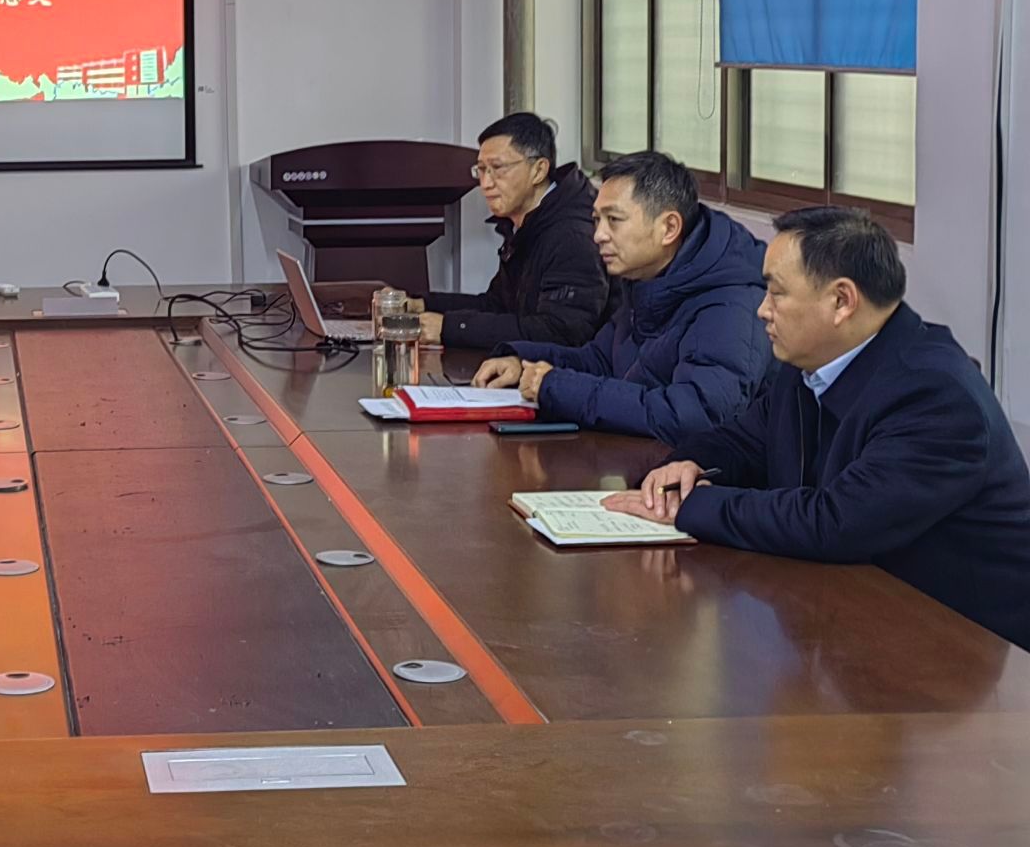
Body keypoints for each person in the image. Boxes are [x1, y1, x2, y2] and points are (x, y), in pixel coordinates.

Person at [607, 208, 1030, 650]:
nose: (762, 310)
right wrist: (688, 466)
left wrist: (692, 506)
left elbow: (837, 522)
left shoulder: (936, 396)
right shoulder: (810, 362)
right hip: (852, 616)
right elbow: (746, 440)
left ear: (841, 301)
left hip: (958, 648)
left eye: (777, 293)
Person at [473, 150, 771, 444]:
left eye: (614, 220)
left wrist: (557, 387)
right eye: (596, 220)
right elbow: (600, 361)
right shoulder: (647, 277)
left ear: (669, 228)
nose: (598, 235)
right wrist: (523, 364)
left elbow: (694, 415)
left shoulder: (731, 305)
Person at [420, 112, 610, 348]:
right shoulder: (525, 223)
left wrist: (450, 327)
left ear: (538, 170)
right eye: (481, 170)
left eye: (498, 168)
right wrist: (423, 304)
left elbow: (560, 331)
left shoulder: (572, 236)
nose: (486, 184)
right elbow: (496, 306)